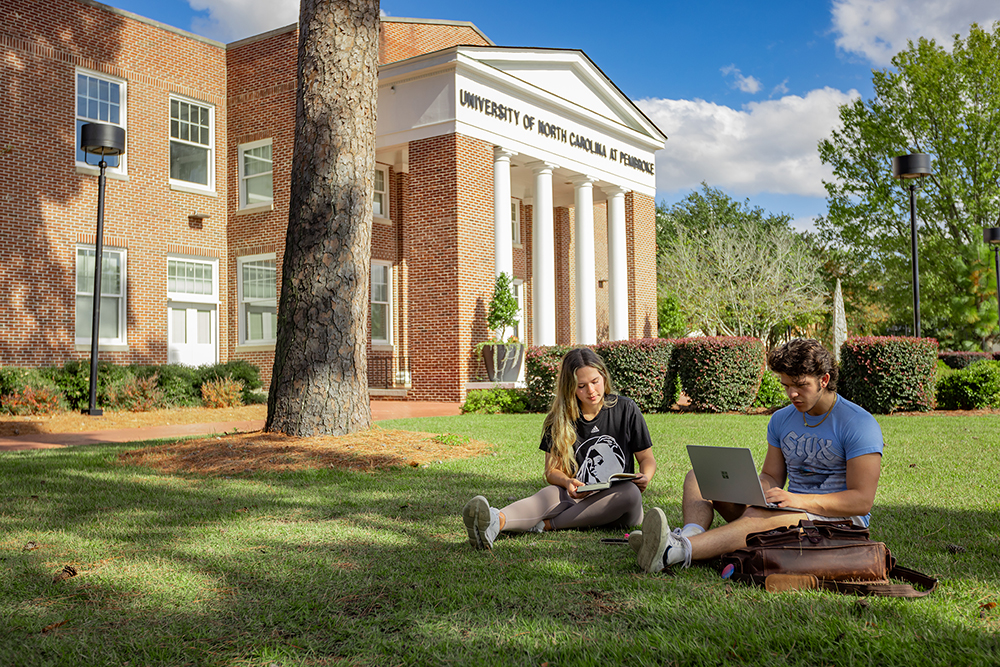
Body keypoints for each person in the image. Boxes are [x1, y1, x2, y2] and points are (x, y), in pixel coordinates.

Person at [632, 338, 883, 573]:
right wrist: (758, 490)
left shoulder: (858, 423)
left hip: (838, 524)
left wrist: (797, 500)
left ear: (824, 380)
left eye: (801, 385)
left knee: (757, 517)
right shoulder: (782, 419)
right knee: (699, 477)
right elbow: (772, 475)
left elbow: (861, 501)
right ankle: (690, 536)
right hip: (787, 509)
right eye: (786, 385)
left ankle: (674, 551)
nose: (792, 394)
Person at [463, 347, 657, 550]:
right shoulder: (558, 420)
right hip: (579, 497)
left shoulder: (626, 409)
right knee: (550, 493)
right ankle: (495, 521)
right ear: (569, 387)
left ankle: (546, 525)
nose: (591, 391)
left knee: (630, 492)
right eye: (581, 386)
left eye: (595, 382)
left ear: (604, 377)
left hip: (621, 506)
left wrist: (645, 477)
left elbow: (647, 459)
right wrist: (567, 482)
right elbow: (551, 471)